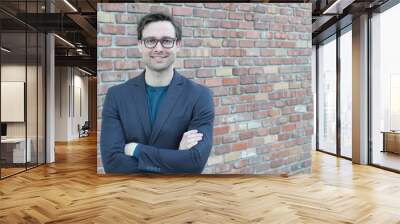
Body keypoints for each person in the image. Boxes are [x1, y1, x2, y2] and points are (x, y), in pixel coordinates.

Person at [100, 13, 215, 174]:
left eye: (167, 41)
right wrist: (178, 157)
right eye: (151, 41)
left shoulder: (200, 96)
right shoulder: (117, 96)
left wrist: (137, 150)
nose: (158, 48)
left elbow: (194, 162)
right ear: (140, 45)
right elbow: (112, 164)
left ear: (178, 45)